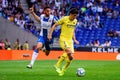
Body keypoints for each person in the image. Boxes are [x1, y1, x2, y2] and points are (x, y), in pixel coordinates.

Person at [48, 8, 79, 76]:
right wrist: (50, 35)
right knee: (69, 52)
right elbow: (54, 25)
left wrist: (74, 39)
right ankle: (57, 65)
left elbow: (73, 30)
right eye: (74, 15)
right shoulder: (64, 19)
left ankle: (63, 70)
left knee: (71, 57)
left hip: (70, 40)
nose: (75, 17)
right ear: (70, 14)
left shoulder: (75, 21)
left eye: (76, 16)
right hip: (63, 39)